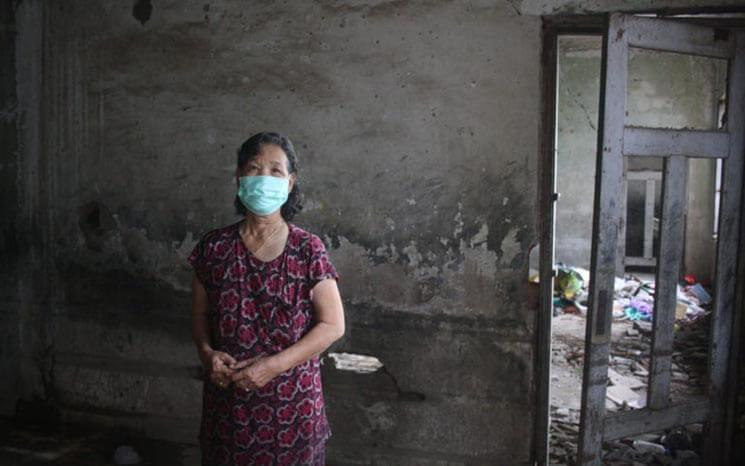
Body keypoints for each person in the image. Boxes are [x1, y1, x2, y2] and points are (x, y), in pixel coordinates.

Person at [188, 131, 345, 466]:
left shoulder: (308, 250)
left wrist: (272, 367)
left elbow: (333, 325)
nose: (264, 178)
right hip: (228, 412)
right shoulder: (213, 248)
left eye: (275, 171)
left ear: (290, 183)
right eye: (254, 168)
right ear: (239, 178)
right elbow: (200, 315)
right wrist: (207, 354)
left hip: (293, 411)